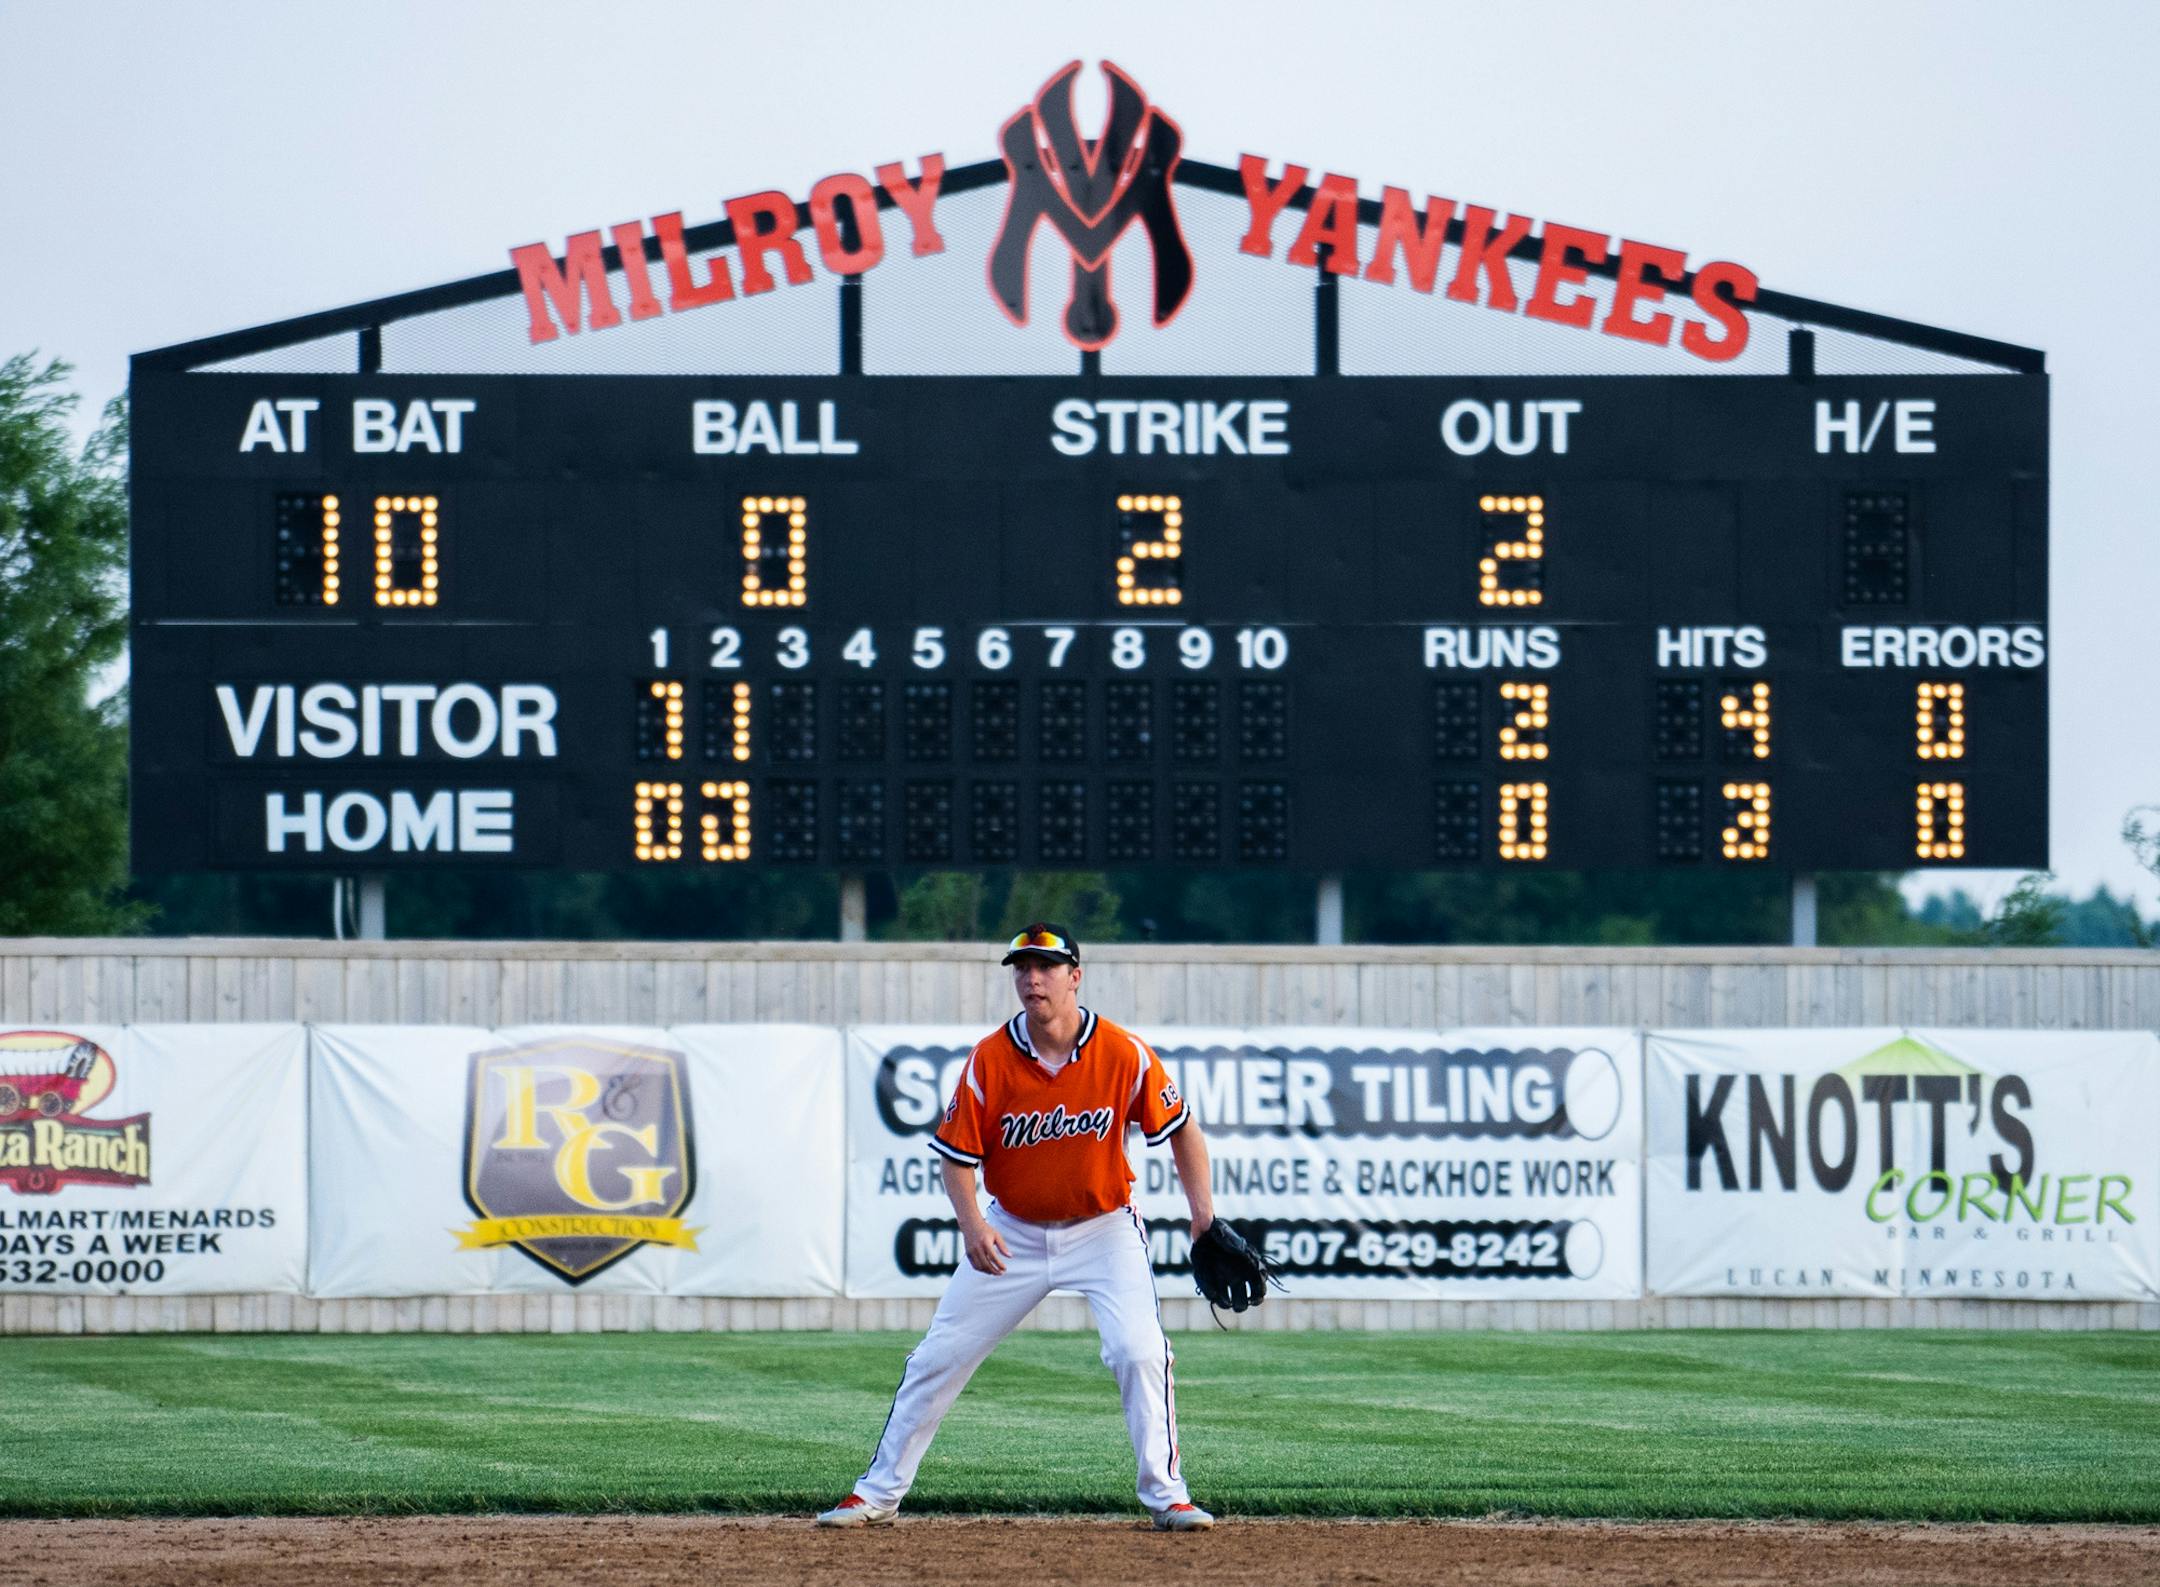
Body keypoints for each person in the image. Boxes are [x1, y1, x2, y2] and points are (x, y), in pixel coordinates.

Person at [818, 921, 1219, 1531]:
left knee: (1140, 1351)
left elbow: (1182, 1126)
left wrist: (1204, 1217)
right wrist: (973, 1224)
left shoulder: (1122, 1052)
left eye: (1046, 966)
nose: (1032, 978)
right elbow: (957, 1156)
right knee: (939, 1356)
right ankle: (877, 1493)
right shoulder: (991, 1058)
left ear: (1075, 977)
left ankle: (1168, 1495)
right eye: (1022, 967)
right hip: (1014, 1232)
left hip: (1104, 1229)